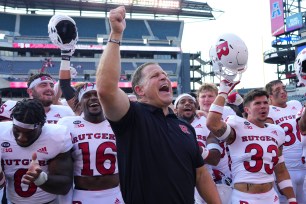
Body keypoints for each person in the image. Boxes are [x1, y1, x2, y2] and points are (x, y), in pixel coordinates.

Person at [96, 6, 221, 204]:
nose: (163, 76)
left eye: (164, 74)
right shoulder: (132, 117)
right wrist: (116, 34)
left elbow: (200, 175)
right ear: (139, 91)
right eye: (155, 75)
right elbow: (105, 90)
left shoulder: (185, 128)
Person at [206, 85, 297, 203]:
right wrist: (223, 91)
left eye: (265, 103)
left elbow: (281, 170)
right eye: (257, 103)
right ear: (247, 109)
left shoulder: (277, 131)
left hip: (271, 197)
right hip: (245, 197)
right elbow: (212, 123)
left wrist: (292, 199)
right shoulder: (237, 125)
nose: (263, 106)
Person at [57, 82, 124, 203]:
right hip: (82, 194)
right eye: (87, 96)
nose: (93, 97)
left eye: (97, 94)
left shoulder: (118, 123)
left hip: (113, 193)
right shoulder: (68, 124)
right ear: (80, 105)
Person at [0, 99, 73, 203]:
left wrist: (41, 179)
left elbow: (64, 187)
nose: (22, 138)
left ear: (42, 125)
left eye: (29, 133)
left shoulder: (56, 137)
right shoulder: (1, 133)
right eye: (16, 131)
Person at [174, 93, 232, 204]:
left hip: (205, 179)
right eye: (182, 102)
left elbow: (214, 159)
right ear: (175, 109)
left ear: (196, 108)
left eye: (191, 102)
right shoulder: (170, 126)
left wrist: (193, 149)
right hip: (180, 180)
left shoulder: (205, 124)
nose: (187, 103)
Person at [265, 80, 305, 204]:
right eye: (277, 90)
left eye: (283, 88)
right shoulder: (268, 111)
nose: (282, 92)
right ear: (270, 97)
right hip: (286, 169)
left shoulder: (296, 104)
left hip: (304, 166)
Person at [197, 83, 235, 183]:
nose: (206, 99)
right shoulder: (192, 116)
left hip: (225, 167)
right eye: (203, 96)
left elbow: (231, 133)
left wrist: (207, 116)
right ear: (198, 100)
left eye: (210, 96)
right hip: (202, 169)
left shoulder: (226, 111)